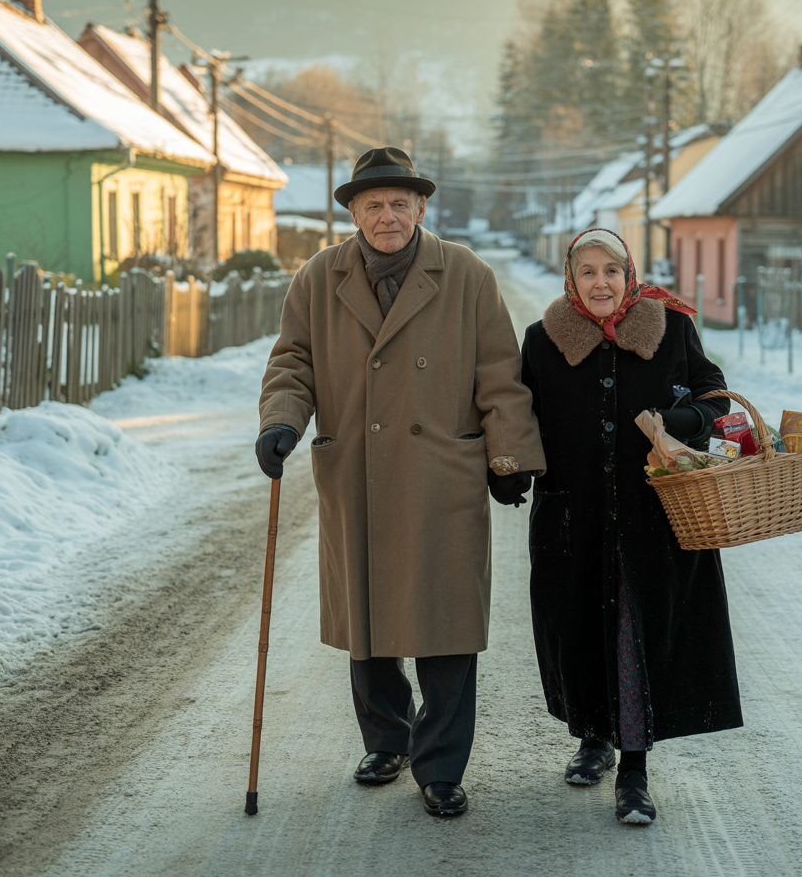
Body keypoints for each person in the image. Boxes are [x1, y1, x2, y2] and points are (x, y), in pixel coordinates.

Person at [256, 147, 545, 818]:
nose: (387, 215)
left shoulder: (466, 274)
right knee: (369, 618)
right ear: (354, 211)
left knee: (445, 622)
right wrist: (281, 421)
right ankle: (387, 738)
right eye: (373, 204)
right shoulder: (318, 277)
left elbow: (499, 373)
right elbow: (292, 361)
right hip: (356, 469)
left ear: (421, 208)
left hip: (441, 475)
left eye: (399, 203)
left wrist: (509, 460)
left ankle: (440, 765)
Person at [520, 228, 742, 825]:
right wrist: (509, 467)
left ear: (630, 275)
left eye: (611, 271)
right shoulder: (543, 341)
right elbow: (517, 413)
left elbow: (718, 397)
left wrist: (681, 418)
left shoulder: (670, 330)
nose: (600, 282)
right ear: (570, 279)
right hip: (573, 514)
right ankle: (591, 737)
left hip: (653, 518)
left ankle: (634, 770)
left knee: (635, 633)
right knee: (578, 628)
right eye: (587, 271)